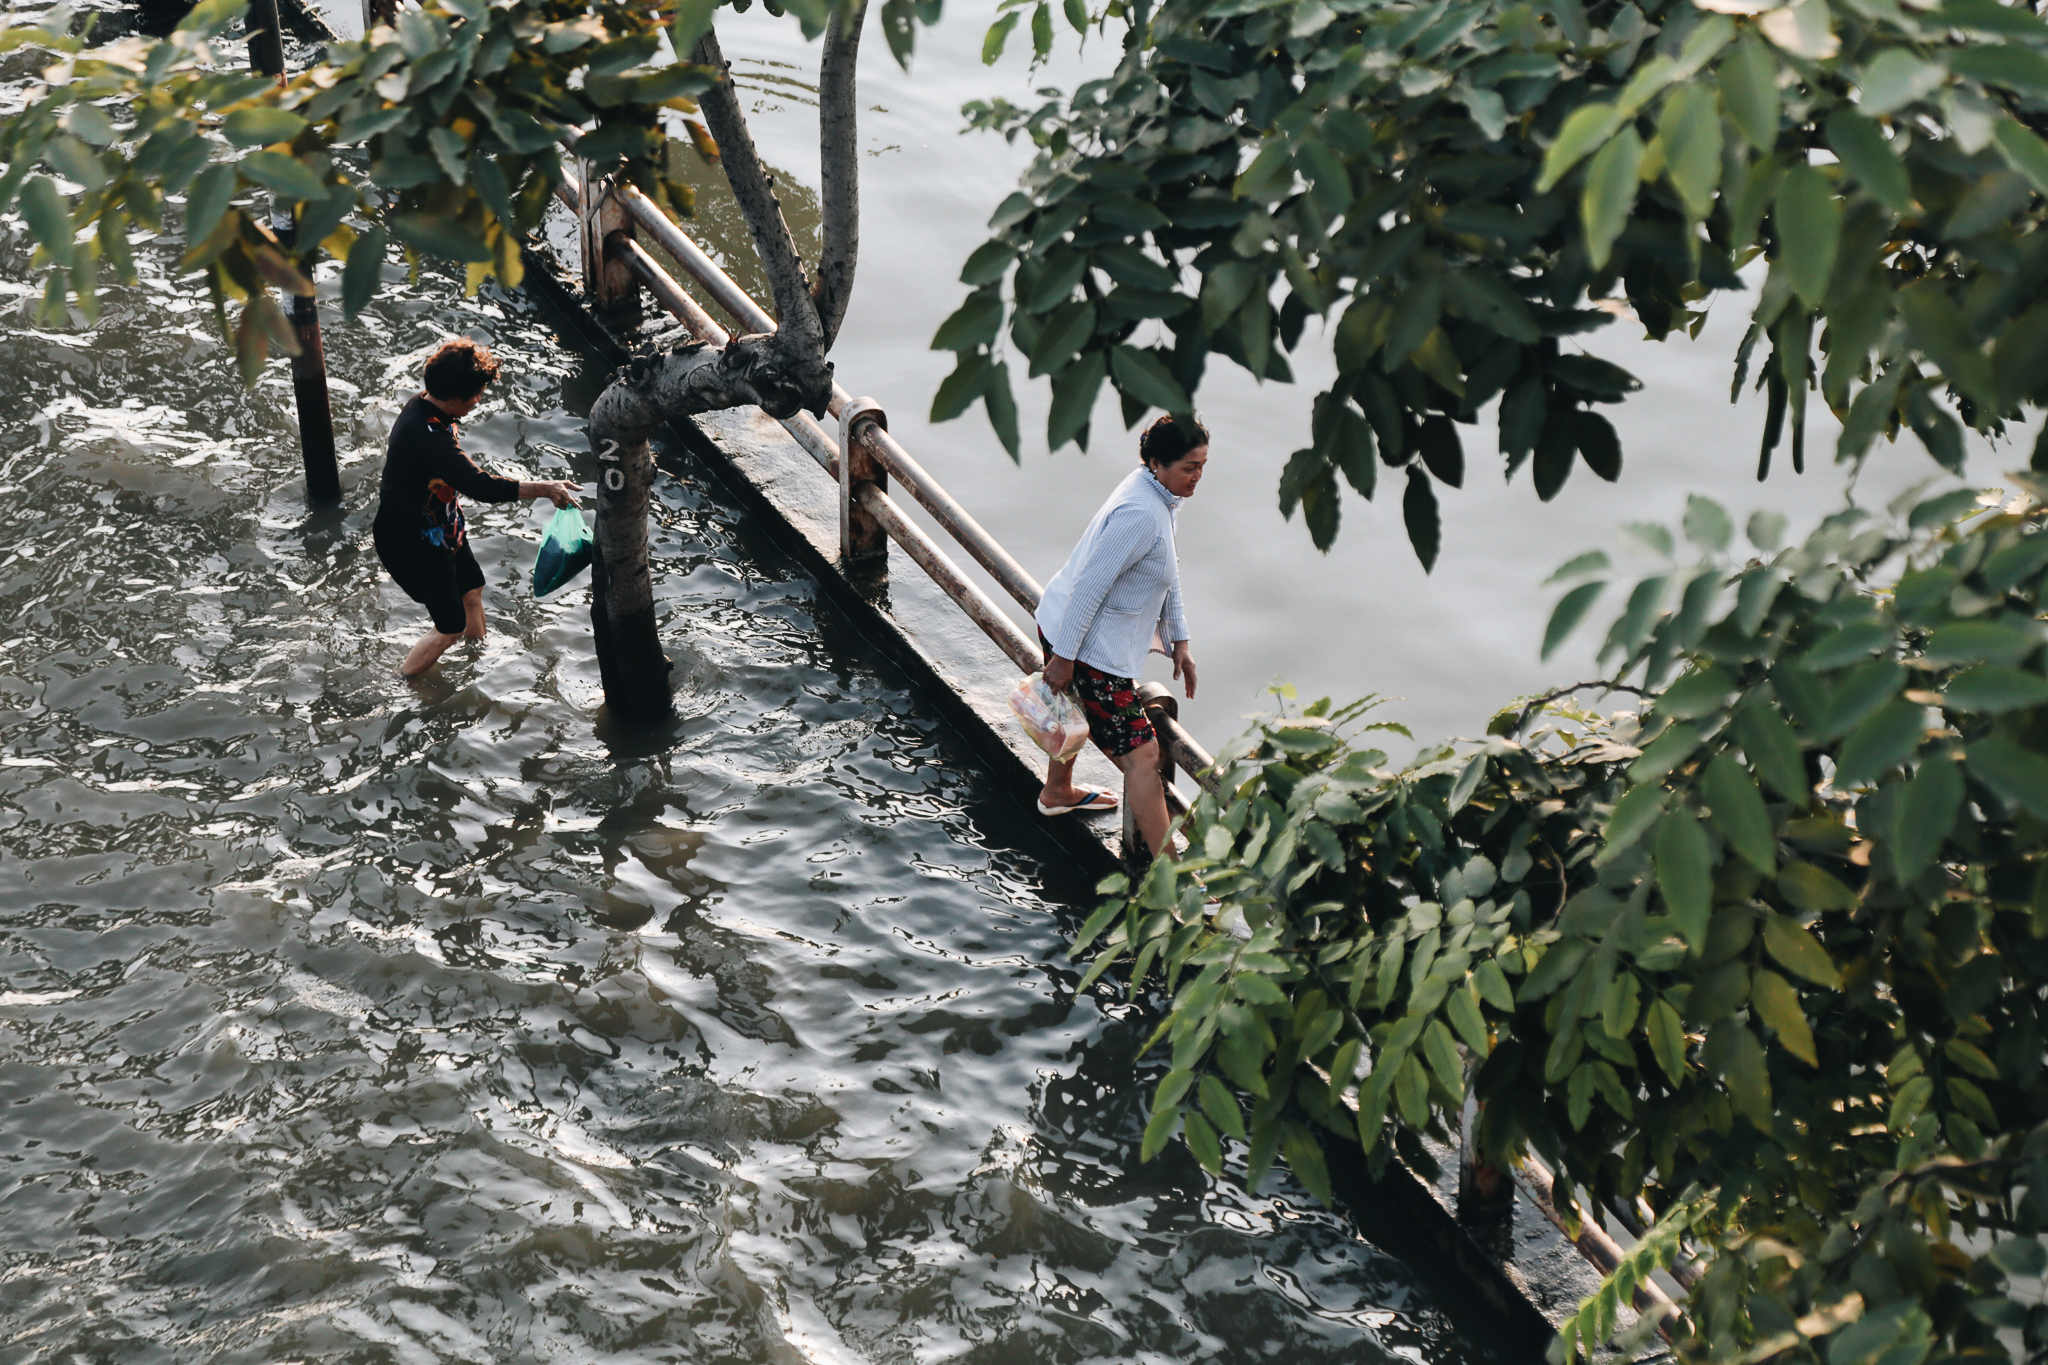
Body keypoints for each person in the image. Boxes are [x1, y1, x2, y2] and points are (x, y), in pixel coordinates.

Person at [1034, 414, 1206, 860]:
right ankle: (1168, 874)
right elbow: (1092, 585)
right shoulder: (1140, 513)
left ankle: (1057, 791)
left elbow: (1165, 569)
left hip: (1070, 629)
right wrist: (1064, 658)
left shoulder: (1156, 494)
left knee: (1071, 708)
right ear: (1156, 462)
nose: (1197, 476)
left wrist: (1179, 641)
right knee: (1143, 759)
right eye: (1189, 467)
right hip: (1089, 648)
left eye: (1202, 465)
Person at [373, 338, 581, 677]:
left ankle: (478, 666)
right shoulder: (427, 434)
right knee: (449, 626)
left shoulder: (428, 405)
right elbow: (480, 486)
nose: (477, 401)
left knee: (472, 588)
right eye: (474, 396)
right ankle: (403, 683)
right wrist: (545, 488)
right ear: (454, 397)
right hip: (412, 540)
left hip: (442, 525)